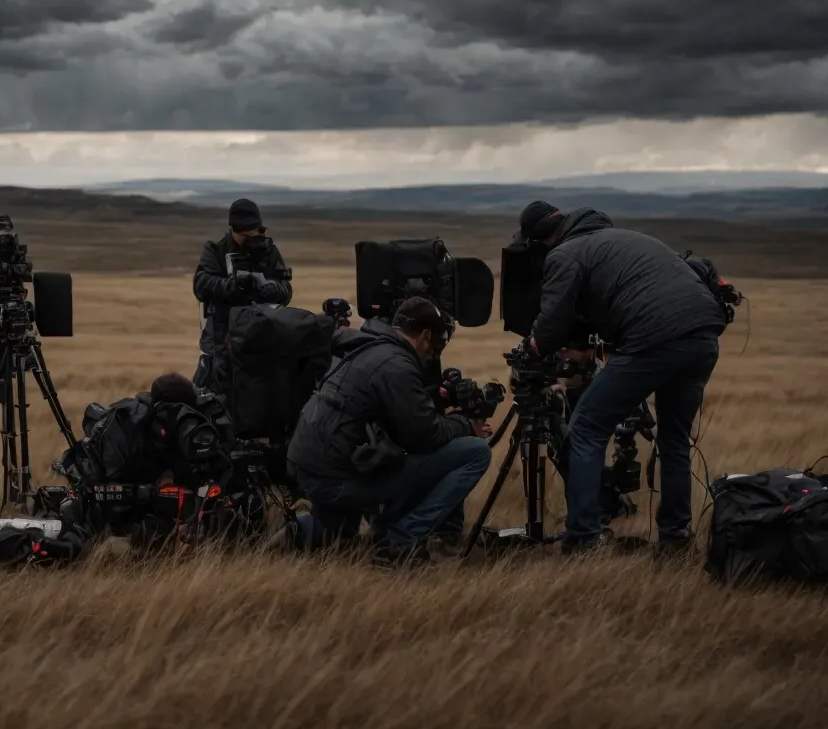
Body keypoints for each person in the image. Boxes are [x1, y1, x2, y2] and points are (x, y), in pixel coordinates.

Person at [517, 201, 728, 555]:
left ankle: (583, 537)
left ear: (540, 240)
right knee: (674, 439)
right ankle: (675, 538)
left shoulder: (565, 254)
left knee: (586, 427)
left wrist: (532, 349)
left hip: (655, 337)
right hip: (705, 334)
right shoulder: (624, 238)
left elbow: (552, 325)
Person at [286, 296, 493, 566]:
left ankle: (291, 533)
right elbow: (424, 436)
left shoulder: (369, 347)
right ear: (426, 335)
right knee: (475, 452)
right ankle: (400, 540)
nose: (435, 351)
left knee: (335, 536)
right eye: (438, 342)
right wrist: (466, 425)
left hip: (312, 470)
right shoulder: (397, 365)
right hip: (337, 479)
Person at [192, 198, 292, 393]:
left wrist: (263, 286)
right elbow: (201, 285)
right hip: (221, 346)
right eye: (242, 235)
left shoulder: (268, 252)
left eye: (251, 234)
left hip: (261, 346)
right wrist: (230, 286)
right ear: (232, 230)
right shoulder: (216, 250)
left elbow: (285, 292)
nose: (248, 239)